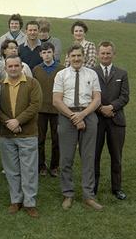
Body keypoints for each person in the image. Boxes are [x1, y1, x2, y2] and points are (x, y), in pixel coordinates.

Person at [53, 44, 102, 211]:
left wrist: (83, 115)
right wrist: (74, 117)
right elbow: (57, 100)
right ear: (68, 57)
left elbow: (97, 99)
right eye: (73, 56)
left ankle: (89, 196)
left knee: (88, 158)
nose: (76, 59)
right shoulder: (61, 75)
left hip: (88, 115)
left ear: (83, 57)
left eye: (79, 56)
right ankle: (68, 194)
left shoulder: (92, 74)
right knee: (66, 158)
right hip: (67, 116)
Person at [0, 55, 42, 218]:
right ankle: (16, 200)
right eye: (10, 66)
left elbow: (35, 105)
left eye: (16, 66)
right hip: (7, 134)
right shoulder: (0, 86)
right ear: (5, 68)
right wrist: (8, 122)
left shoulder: (32, 83)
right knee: (11, 170)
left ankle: (30, 202)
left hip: (27, 134)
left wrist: (18, 121)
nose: (13, 68)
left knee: (29, 170)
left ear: (22, 67)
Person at [93, 41, 129, 200]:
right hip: (97, 120)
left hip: (116, 120)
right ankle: (92, 187)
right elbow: (89, 95)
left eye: (108, 53)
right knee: (94, 155)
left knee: (116, 156)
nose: (105, 56)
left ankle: (117, 188)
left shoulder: (122, 73)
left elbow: (125, 97)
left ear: (113, 54)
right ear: (97, 54)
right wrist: (101, 108)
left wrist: (111, 107)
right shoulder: (91, 72)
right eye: (102, 53)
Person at [32, 42, 64, 178]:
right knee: (40, 139)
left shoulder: (61, 69)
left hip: (57, 109)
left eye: (49, 52)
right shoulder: (36, 70)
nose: (46, 55)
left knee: (57, 139)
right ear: (40, 54)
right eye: (44, 53)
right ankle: (41, 166)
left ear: (53, 53)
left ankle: (55, 166)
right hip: (41, 109)